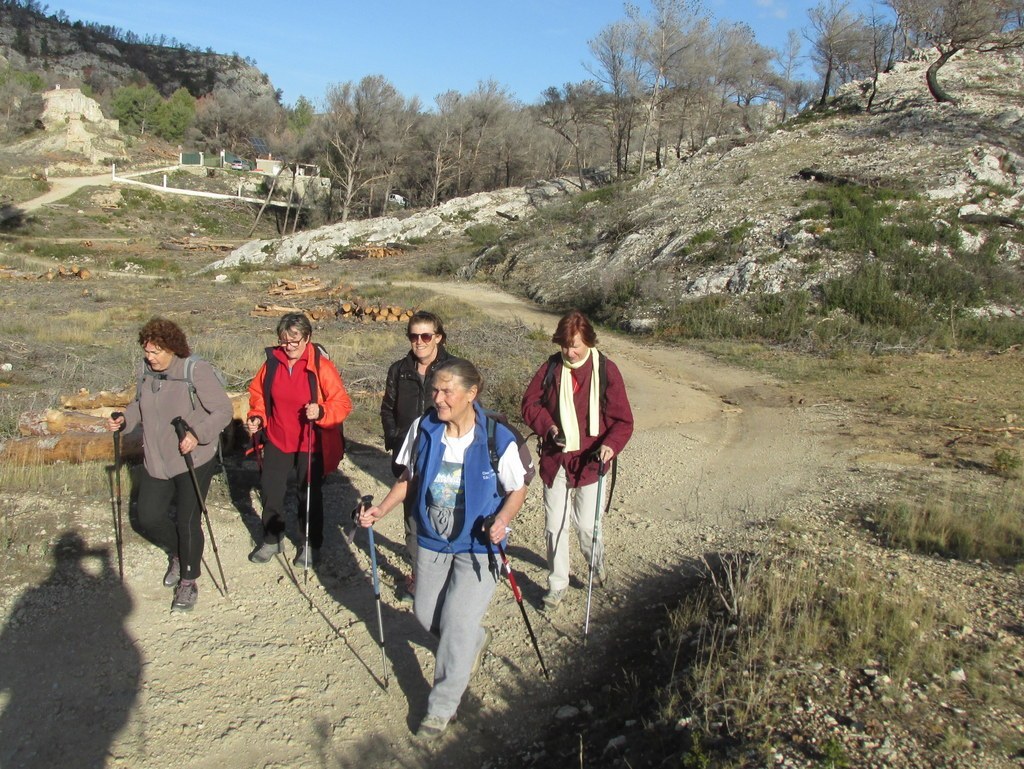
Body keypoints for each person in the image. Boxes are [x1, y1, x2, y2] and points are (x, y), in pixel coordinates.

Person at [358, 358, 528, 739]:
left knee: (457, 622)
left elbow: (518, 487)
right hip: (432, 540)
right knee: (424, 613)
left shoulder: (497, 437)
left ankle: (441, 707)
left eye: (447, 391)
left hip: (479, 543)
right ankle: (471, 642)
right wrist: (382, 509)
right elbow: (408, 478)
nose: (437, 398)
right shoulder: (423, 429)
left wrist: (503, 520)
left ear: (472, 393)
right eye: (435, 389)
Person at [107, 317, 232, 612]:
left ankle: (188, 580)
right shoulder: (146, 372)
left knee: (187, 521)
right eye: (147, 352)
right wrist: (125, 420)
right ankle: (179, 553)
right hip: (156, 459)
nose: (150, 358)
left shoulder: (194, 370)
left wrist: (196, 434)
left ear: (172, 348)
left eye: (155, 352)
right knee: (149, 517)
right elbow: (139, 404)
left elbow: (223, 411)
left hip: (193, 458)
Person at [521, 309, 633, 611]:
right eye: (564, 345)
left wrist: (610, 446)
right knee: (555, 525)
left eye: (576, 346)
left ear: (588, 342)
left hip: (592, 461)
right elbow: (529, 404)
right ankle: (557, 584)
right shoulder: (552, 368)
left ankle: (596, 567)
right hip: (556, 459)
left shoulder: (607, 371)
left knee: (586, 525)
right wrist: (550, 427)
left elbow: (623, 421)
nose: (570, 352)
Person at [246, 313, 353, 567]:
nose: (290, 347)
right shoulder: (272, 363)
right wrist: (257, 417)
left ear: (308, 338)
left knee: (308, 494)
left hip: (310, 440)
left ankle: (310, 544)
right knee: (271, 490)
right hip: (278, 436)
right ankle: (272, 539)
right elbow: (258, 395)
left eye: (296, 341)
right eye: (284, 341)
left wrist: (322, 411)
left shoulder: (321, 366)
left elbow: (342, 403)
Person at [379, 311, 459, 602]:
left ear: (438, 337)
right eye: (414, 336)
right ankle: (420, 576)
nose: (420, 342)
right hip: (408, 459)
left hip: (444, 457)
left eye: (426, 336)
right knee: (413, 519)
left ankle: (448, 576)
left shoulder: (454, 370)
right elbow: (387, 408)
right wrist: (395, 438)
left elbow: (468, 410)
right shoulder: (398, 370)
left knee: (443, 517)